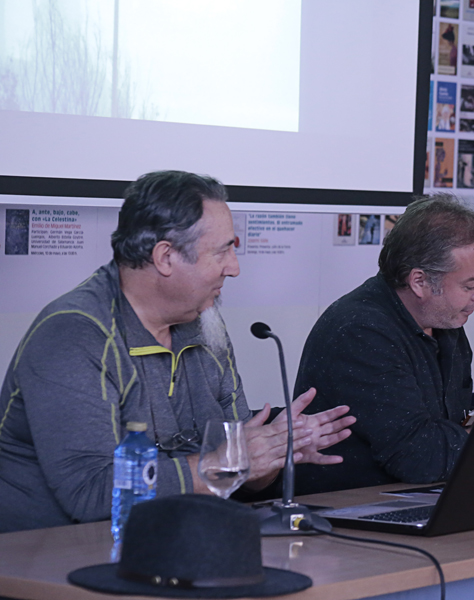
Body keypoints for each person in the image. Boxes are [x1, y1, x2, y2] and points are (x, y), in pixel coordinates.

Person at [0, 171, 355, 533]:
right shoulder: (74, 334)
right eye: (222, 251)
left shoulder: (205, 322)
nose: (234, 268)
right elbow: (91, 493)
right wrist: (225, 462)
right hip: (51, 555)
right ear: (165, 257)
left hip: (177, 540)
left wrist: (272, 453)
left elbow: (237, 477)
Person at [294, 194, 474, 494]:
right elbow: (421, 458)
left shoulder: (445, 322)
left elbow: (447, 430)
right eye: (470, 284)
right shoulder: (361, 331)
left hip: (418, 499)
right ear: (420, 282)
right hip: (343, 512)